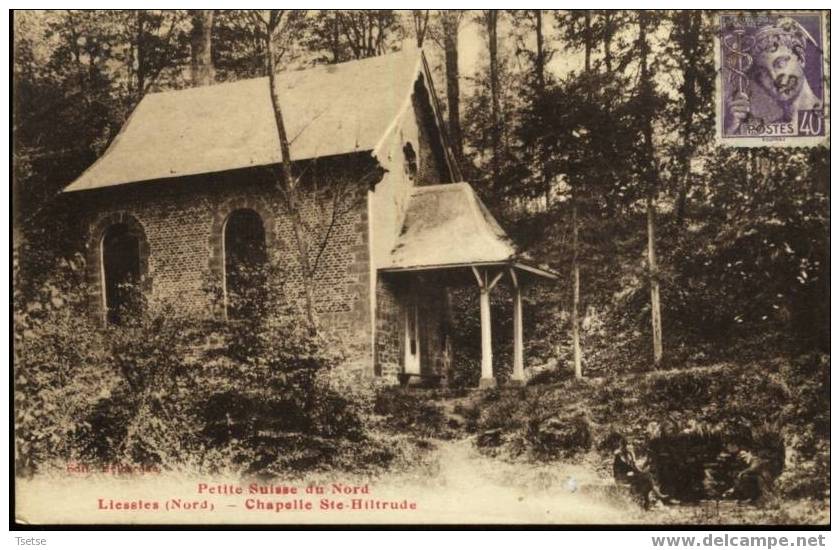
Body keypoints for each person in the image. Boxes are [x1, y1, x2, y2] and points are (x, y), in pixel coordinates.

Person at [727, 16, 823, 134]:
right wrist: (732, 128)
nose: (774, 77)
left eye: (780, 63)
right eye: (763, 73)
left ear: (801, 58)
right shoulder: (767, 131)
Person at [613, 437, 668, 509]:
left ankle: (647, 503)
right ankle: (657, 494)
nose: (630, 446)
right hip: (621, 477)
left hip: (630, 476)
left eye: (631, 444)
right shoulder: (619, 456)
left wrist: (642, 472)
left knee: (646, 479)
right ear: (623, 446)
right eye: (628, 444)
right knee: (646, 477)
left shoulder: (630, 454)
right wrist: (632, 472)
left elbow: (635, 468)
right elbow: (618, 471)